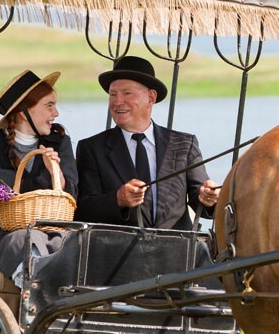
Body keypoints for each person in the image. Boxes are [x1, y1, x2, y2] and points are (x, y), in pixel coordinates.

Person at [75, 56, 219, 229]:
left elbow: (201, 201)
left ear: (151, 97)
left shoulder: (184, 144)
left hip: (176, 245)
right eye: (113, 94)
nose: (117, 101)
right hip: (116, 246)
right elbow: (82, 210)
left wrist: (209, 198)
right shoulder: (91, 148)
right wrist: (118, 199)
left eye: (127, 93)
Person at [0, 70, 78, 287]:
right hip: (6, 234)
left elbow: (73, 198)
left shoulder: (59, 143)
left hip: (53, 231)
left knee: (72, 242)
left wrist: (55, 172)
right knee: (24, 240)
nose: (55, 113)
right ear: (24, 113)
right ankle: (36, 290)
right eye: (49, 105)